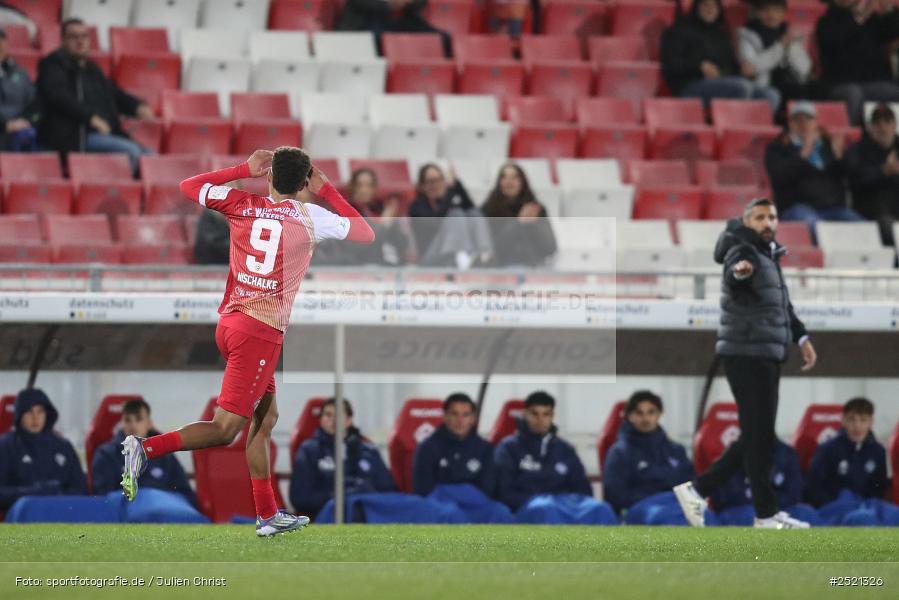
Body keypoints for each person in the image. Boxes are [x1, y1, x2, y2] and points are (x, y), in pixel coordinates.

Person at [119, 147, 375, 537]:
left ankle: (268, 514)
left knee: (265, 418)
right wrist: (326, 190)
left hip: (231, 323)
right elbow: (365, 233)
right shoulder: (311, 217)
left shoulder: (243, 202)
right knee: (225, 430)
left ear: (268, 178)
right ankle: (145, 448)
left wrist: (243, 169)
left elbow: (190, 186)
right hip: (260, 333)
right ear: (305, 182)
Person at [673, 198, 818, 529]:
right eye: (760, 218)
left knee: (759, 436)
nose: (768, 223)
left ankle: (764, 512)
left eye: (772, 217)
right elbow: (737, 276)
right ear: (746, 221)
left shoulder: (768, 253)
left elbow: (781, 304)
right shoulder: (744, 251)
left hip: (762, 352)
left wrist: (801, 337)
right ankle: (701, 490)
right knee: (758, 435)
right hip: (747, 352)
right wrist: (740, 274)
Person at [36, 18, 154, 173]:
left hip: (104, 134)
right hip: (75, 137)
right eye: (74, 37)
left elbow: (112, 92)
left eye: (84, 36)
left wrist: (136, 106)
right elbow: (58, 96)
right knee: (131, 153)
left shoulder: (92, 68)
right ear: (63, 40)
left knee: (151, 157)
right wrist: (91, 117)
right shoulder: (52, 65)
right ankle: (120, 193)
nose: (80, 42)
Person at [495, 391, 613, 524]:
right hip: (529, 505)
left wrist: (568, 501)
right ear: (525, 414)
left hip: (564, 503)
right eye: (534, 414)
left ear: (552, 416)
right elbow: (504, 491)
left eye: (546, 414)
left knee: (601, 509)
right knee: (546, 509)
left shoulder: (565, 448)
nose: (540, 420)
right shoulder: (509, 447)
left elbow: (583, 488)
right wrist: (538, 499)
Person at [660, 0, 780, 111]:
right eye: (706, 5)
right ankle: (735, 129)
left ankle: (755, 132)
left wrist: (742, 70)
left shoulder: (720, 34)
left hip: (722, 82)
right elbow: (672, 65)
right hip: (689, 85)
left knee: (770, 95)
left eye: (714, 6)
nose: (710, 10)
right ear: (697, 7)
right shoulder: (678, 30)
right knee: (741, 87)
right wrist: (699, 67)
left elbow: (730, 65)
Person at [764, 101, 863, 235]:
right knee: (813, 225)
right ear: (790, 123)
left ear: (816, 122)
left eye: (807, 119)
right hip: (797, 207)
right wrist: (804, 152)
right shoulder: (778, 148)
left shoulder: (828, 145)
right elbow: (779, 177)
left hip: (833, 208)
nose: (803, 124)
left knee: (862, 227)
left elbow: (849, 175)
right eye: (797, 120)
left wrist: (840, 157)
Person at [290, 398, 396, 518]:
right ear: (320, 420)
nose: (333, 420)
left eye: (338, 415)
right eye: (328, 415)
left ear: (349, 420)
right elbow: (300, 498)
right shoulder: (309, 450)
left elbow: (390, 492)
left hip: (372, 512)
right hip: (330, 515)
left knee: (414, 504)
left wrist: (364, 490)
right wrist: (340, 495)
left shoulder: (369, 451)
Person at [602, 391, 695, 521]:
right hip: (640, 509)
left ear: (659, 414)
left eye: (651, 412)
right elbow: (615, 494)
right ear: (630, 416)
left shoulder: (676, 450)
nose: (646, 418)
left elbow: (691, 485)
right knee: (664, 517)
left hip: (676, 505)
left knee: (706, 516)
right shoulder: (619, 452)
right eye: (639, 413)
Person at [91, 399, 195, 505]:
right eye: (128, 420)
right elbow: (103, 498)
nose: (133, 425)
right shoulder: (107, 455)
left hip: (162, 515)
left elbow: (185, 494)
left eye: (138, 419)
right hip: (123, 518)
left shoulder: (165, 455)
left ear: (149, 423)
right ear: (122, 423)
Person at [0, 388, 87, 511]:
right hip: (20, 520)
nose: (35, 418)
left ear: (47, 414)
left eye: (40, 411)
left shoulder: (64, 447)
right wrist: (32, 492)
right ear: (19, 414)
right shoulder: (5, 446)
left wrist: (57, 496)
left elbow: (81, 490)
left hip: (62, 516)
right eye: (29, 412)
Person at [816, 0, 899, 125]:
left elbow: (891, 33)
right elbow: (836, 39)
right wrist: (861, 17)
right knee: (854, 93)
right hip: (839, 83)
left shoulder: (872, 20)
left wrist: (888, 9)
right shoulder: (826, 21)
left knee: (893, 92)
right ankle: (849, 135)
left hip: (872, 81)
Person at [314, 167, 411, 266]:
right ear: (352, 187)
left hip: (385, 263)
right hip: (359, 266)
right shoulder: (343, 212)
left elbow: (403, 243)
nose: (364, 190)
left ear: (374, 188)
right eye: (359, 185)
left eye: (368, 186)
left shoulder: (381, 208)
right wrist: (383, 226)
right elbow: (353, 247)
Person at [709, 439, 819, 526]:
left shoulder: (786, 453)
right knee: (751, 513)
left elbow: (794, 494)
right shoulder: (732, 454)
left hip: (779, 508)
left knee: (805, 513)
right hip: (743, 510)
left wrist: (764, 500)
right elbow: (724, 497)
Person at [804, 398, 889, 508]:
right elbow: (813, 486)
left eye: (863, 420)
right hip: (833, 509)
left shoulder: (878, 451)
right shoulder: (828, 449)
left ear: (871, 422)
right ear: (843, 420)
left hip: (867, 510)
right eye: (852, 419)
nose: (857, 425)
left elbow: (880, 488)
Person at [408, 163, 494, 268]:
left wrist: (457, 184)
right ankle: (463, 259)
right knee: (456, 214)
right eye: (431, 181)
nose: (436, 185)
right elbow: (436, 222)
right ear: (422, 186)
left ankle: (484, 254)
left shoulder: (445, 201)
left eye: (439, 180)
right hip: (430, 257)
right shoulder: (417, 206)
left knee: (473, 213)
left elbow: (470, 207)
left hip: (450, 252)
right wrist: (451, 192)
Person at [412, 393, 496, 497]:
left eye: (466, 415)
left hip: (474, 506)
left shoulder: (485, 448)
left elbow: (487, 490)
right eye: (454, 414)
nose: (460, 421)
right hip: (439, 508)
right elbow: (423, 491)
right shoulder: (427, 448)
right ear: (445, 416)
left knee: (500, 511)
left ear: (473, 419)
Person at [737, 0, 813, 110]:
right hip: (763, 84)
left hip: (790, 82)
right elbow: (751, 66)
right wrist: (781, 47)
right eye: (766, 11)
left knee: (813, 89)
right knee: (776, 94)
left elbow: (805, 68)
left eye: (777, 11)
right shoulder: (746, 34)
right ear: (758, 12)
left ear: (783, 14)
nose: (772, 15)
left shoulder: (789, 33)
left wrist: (791, 49)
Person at [480, 163, 557, 267]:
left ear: (522, 182)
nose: (509, 182)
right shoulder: (488, 210)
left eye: (514, 177)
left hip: (533, 268)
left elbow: (550, 248)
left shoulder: (535, 209)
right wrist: (518, 222)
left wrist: (533, 225)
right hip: (501, 268)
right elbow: (493, 248)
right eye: (504, 177)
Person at [846, 103, 899, 245]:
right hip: (871, 213)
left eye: (887, 122)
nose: (882, 128)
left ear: (894, 125)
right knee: (890, 226)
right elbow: (854, 182)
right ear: (870, 128)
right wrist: (884, 171)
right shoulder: (858, 149)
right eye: (877, 123)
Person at [336, 0, 451, 55]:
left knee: (443, 39)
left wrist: (408, 2)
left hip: (404, 20)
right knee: (376, 38)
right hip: (367, 22)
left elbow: (420, 4)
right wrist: (391, 4)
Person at [0, 27, 37, 151]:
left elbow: (34, 104)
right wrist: (5, 126)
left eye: (2, 39)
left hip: (21, 131)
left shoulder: (20, 73)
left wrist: (27, 121)